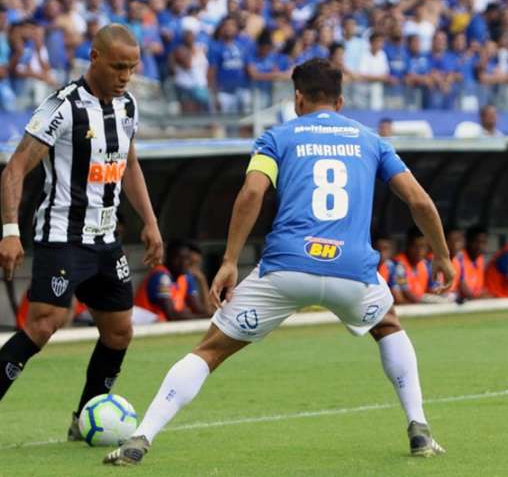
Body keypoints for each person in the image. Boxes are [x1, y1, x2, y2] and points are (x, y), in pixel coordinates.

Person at [104, 58, 454, 466]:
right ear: (340, 101)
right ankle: (419, 428)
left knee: (210, 351)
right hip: (352, 273)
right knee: (388, 325)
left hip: (287, 269)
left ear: (298, 99)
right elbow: (419, 201)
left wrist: (231, 260)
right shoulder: (371, 141)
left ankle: (141, 437)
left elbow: (252, 194)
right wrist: (443, 256)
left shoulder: (277, 138)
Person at [0, 24, 164, 453]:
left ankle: (84, 417)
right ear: (94, 58)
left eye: (132, 67)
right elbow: (14, 168)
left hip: (106, 238)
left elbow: (130, 164)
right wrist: (10, 232)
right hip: (62, 235)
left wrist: (150, 221)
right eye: (118, 66)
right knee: (46, 323)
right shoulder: (63, 106)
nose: (126, 75)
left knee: (120, 331)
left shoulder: (127, 105)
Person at [134, 241, 209, 321]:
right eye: (178, 258)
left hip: (165, 327)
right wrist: (206, 317)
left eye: (186, 258)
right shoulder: (161, 277)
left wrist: (212, 316)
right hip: (144, 325)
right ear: (168, 258)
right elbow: (171, 315)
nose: (183, 262)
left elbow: (198, 309)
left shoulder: (184, 277)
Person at [389, 227, 435, 304]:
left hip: (422, 299)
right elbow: (405, 292)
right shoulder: (398, 264)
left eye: (423, 246)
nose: (419, 251)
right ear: (408, 246)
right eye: (415, 246)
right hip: (409, 303)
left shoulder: (426, 264)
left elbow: (432, 289)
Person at [457, 224, 489, 301]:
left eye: (483, 242)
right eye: (476, 242)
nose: (479, 246)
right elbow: (462, 288)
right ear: (468, 242)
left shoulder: (480, 258)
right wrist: (476, 298)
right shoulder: (459, 258)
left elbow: (480, 288)